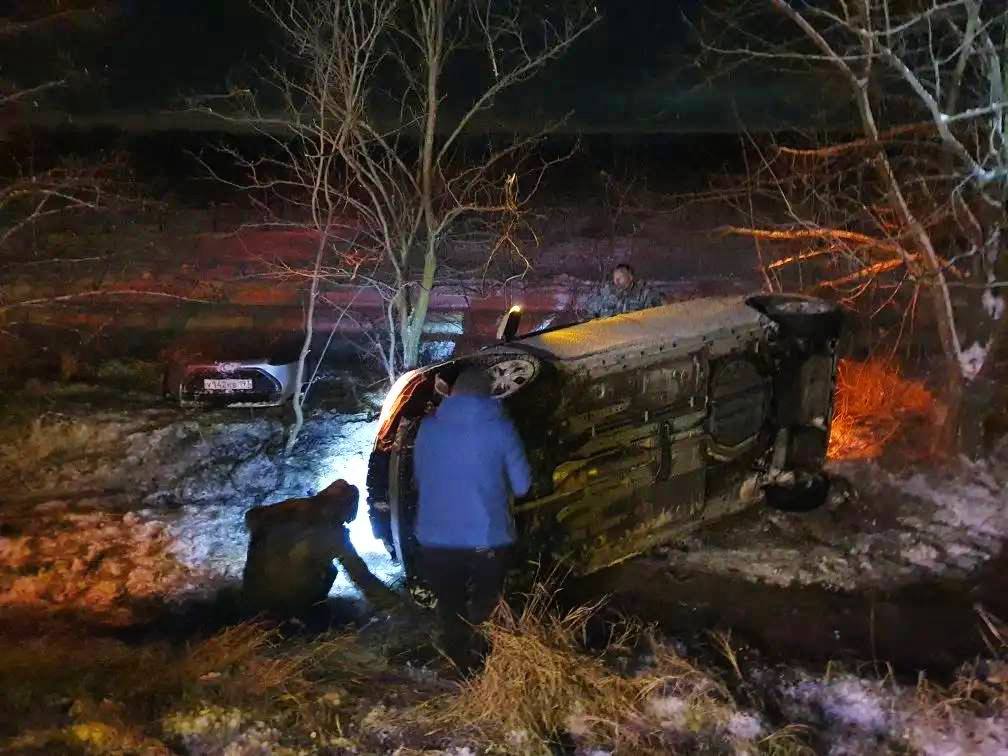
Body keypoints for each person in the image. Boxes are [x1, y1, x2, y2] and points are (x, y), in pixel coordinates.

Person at [413, 366, 532, 672]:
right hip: (486, 538)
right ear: (489, 394)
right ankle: (484, 672)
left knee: (449, 606)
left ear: (452, 394)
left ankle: (457, 667)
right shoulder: (501, 428)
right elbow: (522, 486)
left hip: (435, 539)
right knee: (485, 606)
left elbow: (419, 478)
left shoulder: (428, 428)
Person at [242, 479, 398, 619]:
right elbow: (361, 575)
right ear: (344, 508)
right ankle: (306, 612)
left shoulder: (295, 506)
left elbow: (252, 516)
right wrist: (393, 604)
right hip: (286, 600)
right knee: (330, 571)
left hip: (255, 591)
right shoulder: (335, 535)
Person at [580, 263, 665, 320]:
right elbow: (589, 314)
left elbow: (655, 317)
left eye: (621, 277)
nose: (617, 281)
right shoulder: (605, 295)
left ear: (630, 277)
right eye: (615, 278)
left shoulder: (644, 295)